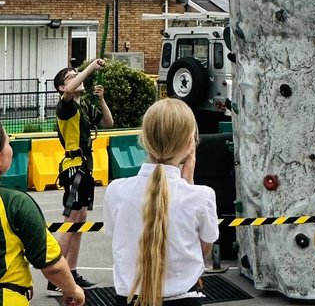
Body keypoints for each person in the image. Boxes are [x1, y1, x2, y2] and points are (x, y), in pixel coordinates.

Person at [104, 98, 218, 306]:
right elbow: (204, 247)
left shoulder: (116, 191)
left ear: (144, 140)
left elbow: (118, 238)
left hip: (129, 299)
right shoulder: (201, 196)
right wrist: (188, 182)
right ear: (190, 143)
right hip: (183, 298)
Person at [0, 122, 85, 306]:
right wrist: (73, 290)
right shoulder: (15, 203)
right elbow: (52, 265)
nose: (10, 147)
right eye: (8, 143)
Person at [49, 58, 114, 294]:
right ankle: (53, 272)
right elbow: (69, 90)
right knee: (72, 218)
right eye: (70, 75)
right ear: (61, 87)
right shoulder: (65, 105)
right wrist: (90, 68)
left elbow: (108, 122)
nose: (76, 76)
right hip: (73, 167)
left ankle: (71, 271)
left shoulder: (84, 107)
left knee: (81, 218)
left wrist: (102, 99)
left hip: (85, 167)